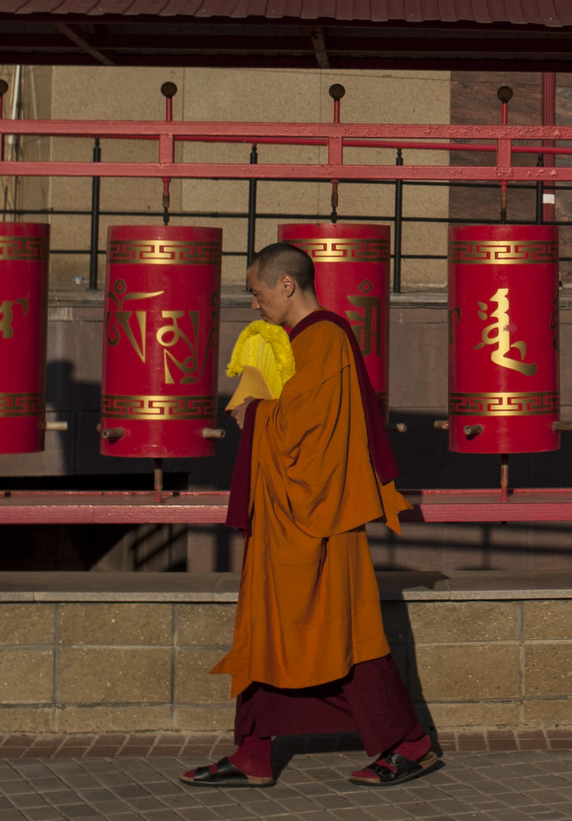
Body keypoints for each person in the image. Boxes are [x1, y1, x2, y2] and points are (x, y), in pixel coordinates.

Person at [181, 242, 440, 789]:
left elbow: (311, 433)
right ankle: (251, 750)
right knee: (264, 629)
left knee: (345, 631)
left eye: (256, 293)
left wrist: (257, 407)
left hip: (318, 518)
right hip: (281, 516)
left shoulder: (325, 337)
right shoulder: (289, 341)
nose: (253, 305)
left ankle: (409, 745)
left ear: (287, 286)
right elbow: (280, 411)